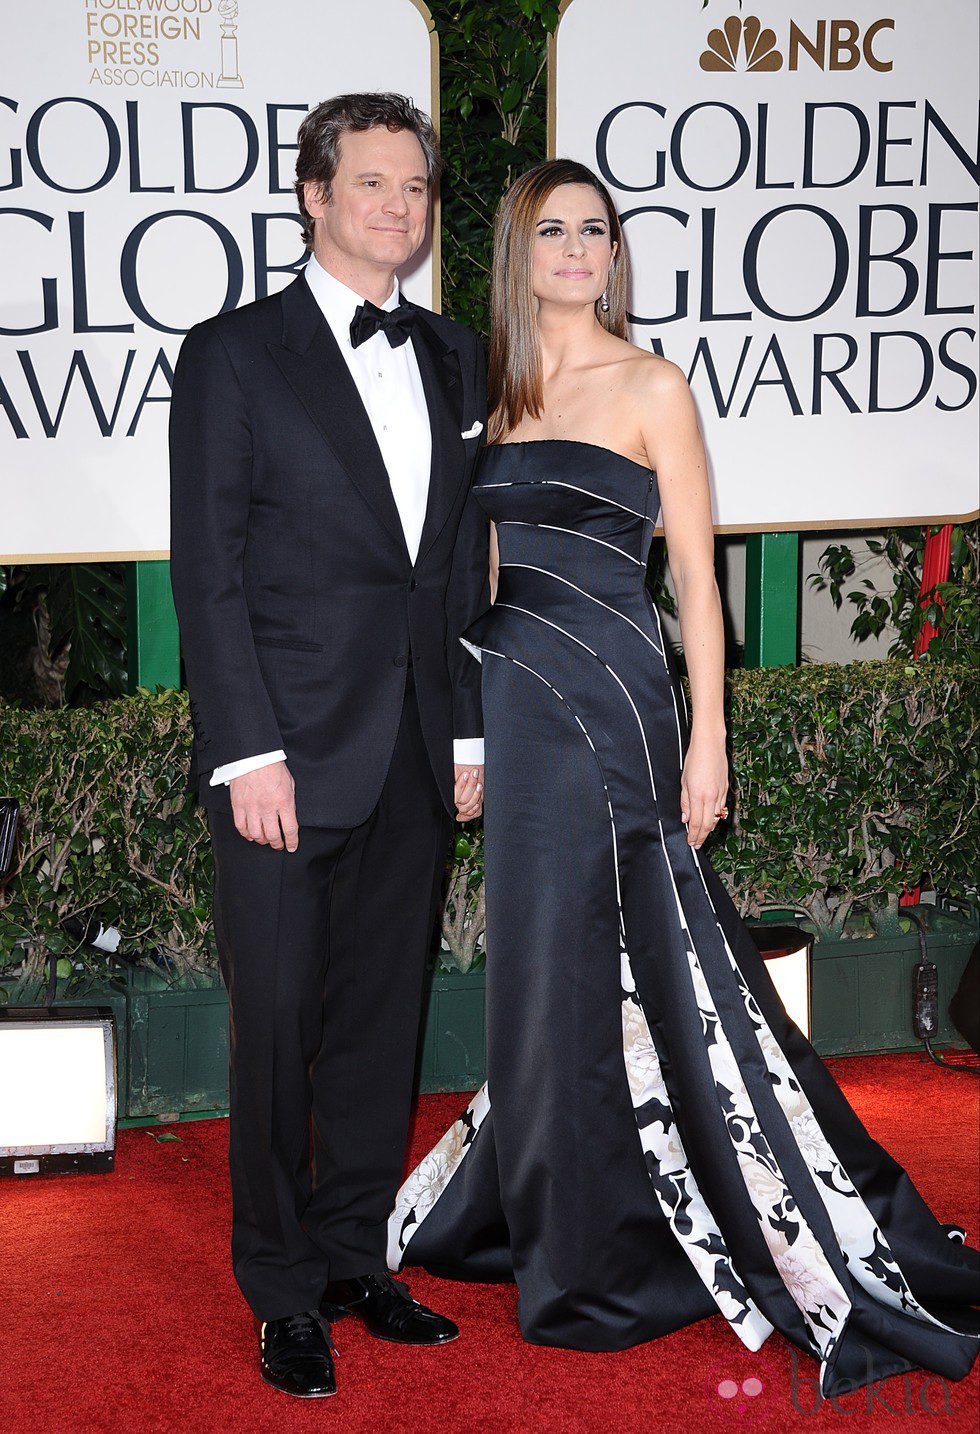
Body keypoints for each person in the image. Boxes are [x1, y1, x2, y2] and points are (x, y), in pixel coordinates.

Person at [388, 158, 980, 1397]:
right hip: (514, 704)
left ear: (614, 251)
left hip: (615, 700)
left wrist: (708, 733)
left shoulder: (653, 383)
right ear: (516, 251)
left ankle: (617, 1238)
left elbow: (696, 584)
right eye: (551, 231)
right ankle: (555, 1210)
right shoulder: (491, 396)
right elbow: (482, 581)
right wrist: (473, 738)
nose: (574, 250)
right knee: (541, 966)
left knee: (653, 958)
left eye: (592, 230)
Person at [169, 92, 489, 1398]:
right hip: (287, 758)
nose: (398, 209)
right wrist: (246, 753)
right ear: (314, 194)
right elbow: (212, 572)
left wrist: (470, 727)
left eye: (414, 187)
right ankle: (282, 1286)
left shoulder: (458, 355)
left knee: (377, 1019)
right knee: (278, 1026)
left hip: (417, 741)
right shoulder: (234, 353)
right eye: (372, 185)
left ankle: (357, 1253)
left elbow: (461, 568)